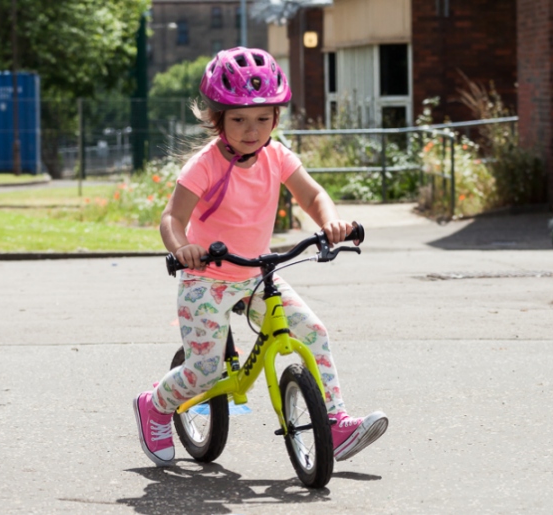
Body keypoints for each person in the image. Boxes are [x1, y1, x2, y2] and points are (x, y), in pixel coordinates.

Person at [133, 47, 388, 467]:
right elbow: (171, 218)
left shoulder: (277, 156)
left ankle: (335, 425)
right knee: (206, 369)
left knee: (313, 331)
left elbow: (312, 194)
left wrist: (331, 222)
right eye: (238, 120)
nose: (252, 130)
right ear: (218, 119)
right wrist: (183, 249)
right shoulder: (205, 165)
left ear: (275, 119)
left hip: (256, 273)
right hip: (206, 277)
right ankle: (155, 406)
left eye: (263, 118)